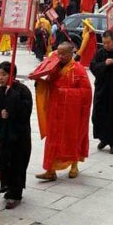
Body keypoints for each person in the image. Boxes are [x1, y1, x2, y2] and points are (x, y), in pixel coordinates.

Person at [34, 42, 92, 181]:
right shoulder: (54, 67)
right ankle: (50, 170)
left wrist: (65, 92)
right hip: (55, 110)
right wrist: (39, 81)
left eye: (63, 54)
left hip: (72, 113)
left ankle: (74, 165)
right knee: (53, 139)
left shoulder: (78, 70)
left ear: (71, 53)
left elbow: (86, 92)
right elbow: (49, 83)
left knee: (72, 137)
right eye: (58, 53)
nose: (59, 56)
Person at [0, 62, 32, 209]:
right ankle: (7, 185)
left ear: (12, 74)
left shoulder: (22, 91)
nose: (1, 78)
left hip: (19, 135)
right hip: (3, 134)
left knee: (17, 164)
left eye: (4, 74)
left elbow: (25, 111)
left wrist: (11, 97)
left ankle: (15, 194)